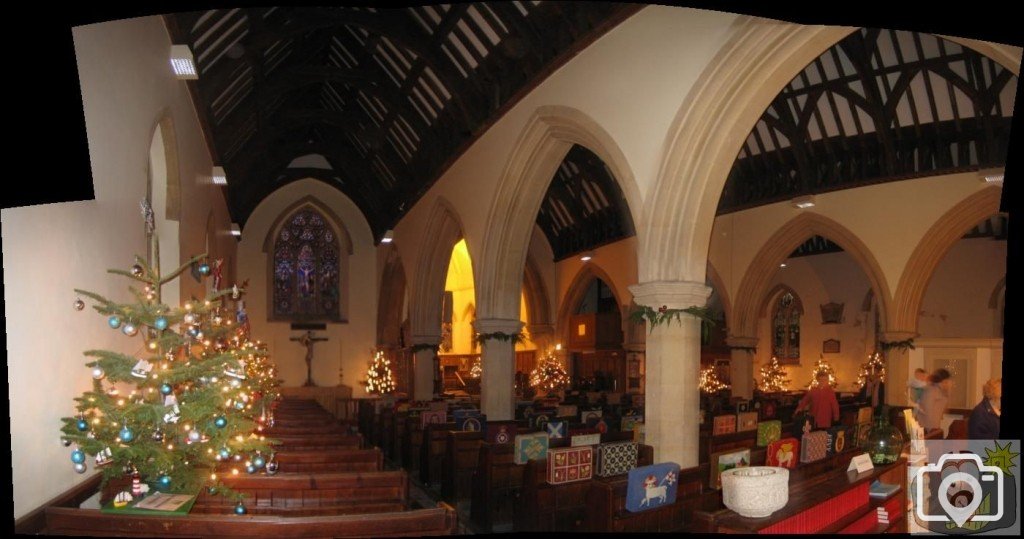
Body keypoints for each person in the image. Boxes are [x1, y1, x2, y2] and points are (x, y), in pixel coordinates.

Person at [919, 368, 952, 436]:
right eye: (946, 381)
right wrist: (931, 432)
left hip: (933, 429)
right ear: (941, 381)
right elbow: (927, 412)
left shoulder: (940, 391)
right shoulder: (931, 391)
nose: (948, 383)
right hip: (927, 429)